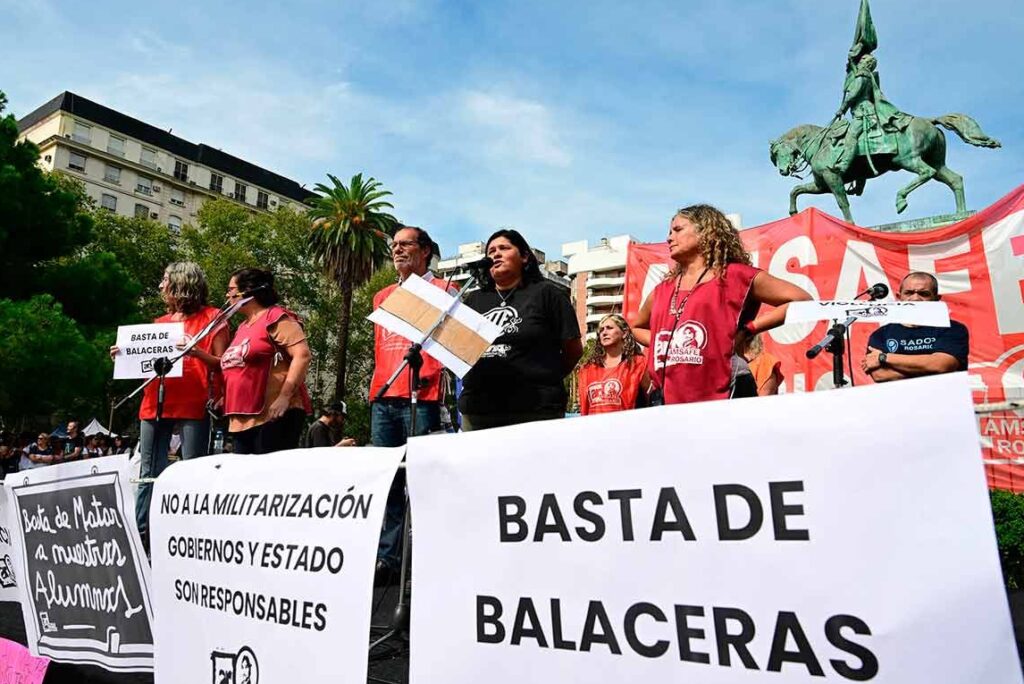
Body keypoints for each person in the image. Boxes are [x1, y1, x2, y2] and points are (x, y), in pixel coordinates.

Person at [632, 204, 811, 405]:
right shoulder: (663, 289)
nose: (669, 237)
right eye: (670, 231)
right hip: (669, 397)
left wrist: (748, 330)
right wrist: (667, 343)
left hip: (727, 389)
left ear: (706, 232)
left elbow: (801, 299)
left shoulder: (736, 276)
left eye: (678, 230)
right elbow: (636, 327)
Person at [111, 262, 229, 549]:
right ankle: (141, 538)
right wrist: (123, 357)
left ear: (181, 283)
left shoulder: (214, 318)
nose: (161, 286)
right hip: (155, 400)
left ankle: (189, 535)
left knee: (193, 469)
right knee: (148, 471)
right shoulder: (159, 323)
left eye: (165, 280)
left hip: (194, 399)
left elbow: (224, 362)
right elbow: (149, 367)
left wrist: (196, 352)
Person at [369, 225, 451, 582]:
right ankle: (388, 558)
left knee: (420, 483)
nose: (397, 250)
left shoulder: (446, 290)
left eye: (405, 244)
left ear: (425, 250)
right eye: (394, 245)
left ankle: (428, 559)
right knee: (388, 483)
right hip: (384, 396)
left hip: (423, 396)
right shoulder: (382, 295)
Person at [460, 229, 583, 430]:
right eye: (490, 251)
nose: (495, 254)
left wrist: (544, 378)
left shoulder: (547, 294)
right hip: (479, 410)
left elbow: (574, 350)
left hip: (535, 409)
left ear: (525, 257)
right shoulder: (473, 300)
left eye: (504, 248)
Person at [221, 268, 312, 454]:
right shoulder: (242, 327)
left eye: (231, 289)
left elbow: (302, 355)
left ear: (247, 292)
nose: (227, 294)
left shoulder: (276, 318)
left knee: (268, 480)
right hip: (242, 418)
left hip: (272, 416)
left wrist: (284, 397)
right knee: (243, 479)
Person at [861, 272, 969, 382]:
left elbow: (941, 365)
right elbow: (881, 375)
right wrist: (928, 368)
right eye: (909, 293)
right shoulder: (881, 334)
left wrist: (883, 357)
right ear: (899, 297)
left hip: (945, 397)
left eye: (924, 294)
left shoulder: (952, 328)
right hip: (899, 398)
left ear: (937, 298)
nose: (916, 298)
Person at [577, 314, 649, 415]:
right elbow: (584, 408)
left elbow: (651, 400)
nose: (604, 333)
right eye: (601, 330)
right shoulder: (587, 370)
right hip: (595, 428)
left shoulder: (638, 364)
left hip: (629, 426)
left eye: (609, 328)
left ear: (624, 333)